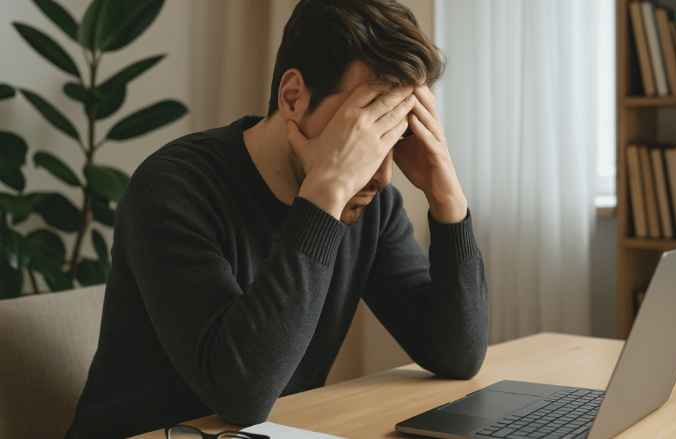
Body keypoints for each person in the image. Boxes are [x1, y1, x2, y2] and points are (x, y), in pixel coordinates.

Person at [67, 0, 487, 437]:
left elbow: (456, 354)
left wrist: (446, 193)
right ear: (292, 97)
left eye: (393, 133)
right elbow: (240, 395)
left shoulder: (371, 204)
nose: (380, 173)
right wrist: (324, 197)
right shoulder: (173, 187)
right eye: (362, 129)